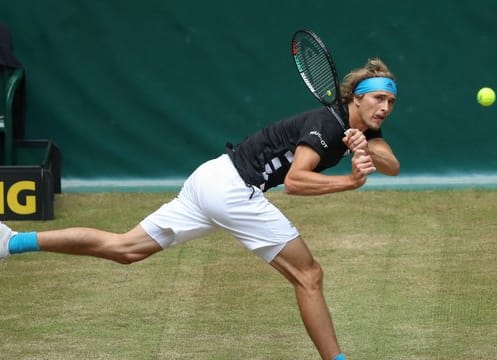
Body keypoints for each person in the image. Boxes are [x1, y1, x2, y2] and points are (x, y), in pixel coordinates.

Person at [0, 57, 399, 360]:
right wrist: (349, 180)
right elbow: (295, 182)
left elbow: (391, 165)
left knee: (126, 249)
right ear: (356, 98)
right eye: (378, 98)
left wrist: (364, 148)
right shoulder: (326, 124)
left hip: (209, 178)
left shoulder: (362, 128)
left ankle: (11, 241)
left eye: (391, 101)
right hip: (233, 188)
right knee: (309, 275)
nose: (384, 107)